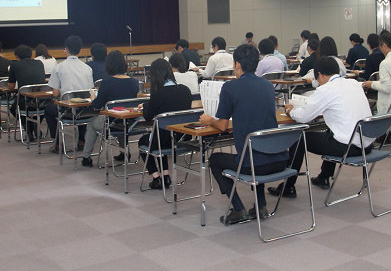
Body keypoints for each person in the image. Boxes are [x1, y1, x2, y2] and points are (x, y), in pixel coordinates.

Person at [201, 44, 284, 224]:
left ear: (237, 64)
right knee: (258, 149)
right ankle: (260, 206)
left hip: (255, 165)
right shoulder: (268, 86)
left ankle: (238, 209)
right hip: (279, 159)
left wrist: (209, 121)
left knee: (215, 160)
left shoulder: (230, 88)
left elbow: (222, 125)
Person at [268, 57, 373, 197]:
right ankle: (324, 176)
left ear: (320, 74)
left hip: (348, 147)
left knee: (299, 137)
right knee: (331, 130)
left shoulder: (326, 90)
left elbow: (304, 117)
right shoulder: (353, 83)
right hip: (367, 144)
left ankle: (288, 186)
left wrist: (289, 110)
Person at [138, 59, 192, 189]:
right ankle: (166, 176)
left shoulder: (158, 93)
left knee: (144, 142)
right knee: (161, 134)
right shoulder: (185, 90)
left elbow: (147, 116)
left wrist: (145, 106)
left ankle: (156, 177)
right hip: (182, 137)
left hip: (163, 140)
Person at [81, 50, 139, 167]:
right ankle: (124, 152)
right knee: (121, 123)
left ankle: (86, 157)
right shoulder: (134, 82)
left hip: (110, 122)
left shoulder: (107, 82)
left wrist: (93, 96)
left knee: (91, 124)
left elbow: (97, 105)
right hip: (129, 122)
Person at [45, 36, 94, 153]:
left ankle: (57, 143)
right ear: (80, 50)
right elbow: (90, 91)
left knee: (48, 109)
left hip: (66, 111)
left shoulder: (59, 67)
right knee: (82, 103)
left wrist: (66, 91)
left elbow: (55, 93)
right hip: (86, 112)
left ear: (66, 49)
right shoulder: (87, 68)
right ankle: (82, 139)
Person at [7, 45, 46, 141]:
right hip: (41, 101)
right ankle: (35, 124)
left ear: (16, 56)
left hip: (24, 101)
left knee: (13, 108)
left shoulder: (14, 65)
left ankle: (28, 127)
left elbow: (11, 87)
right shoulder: (39, 63)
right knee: (44, 109)